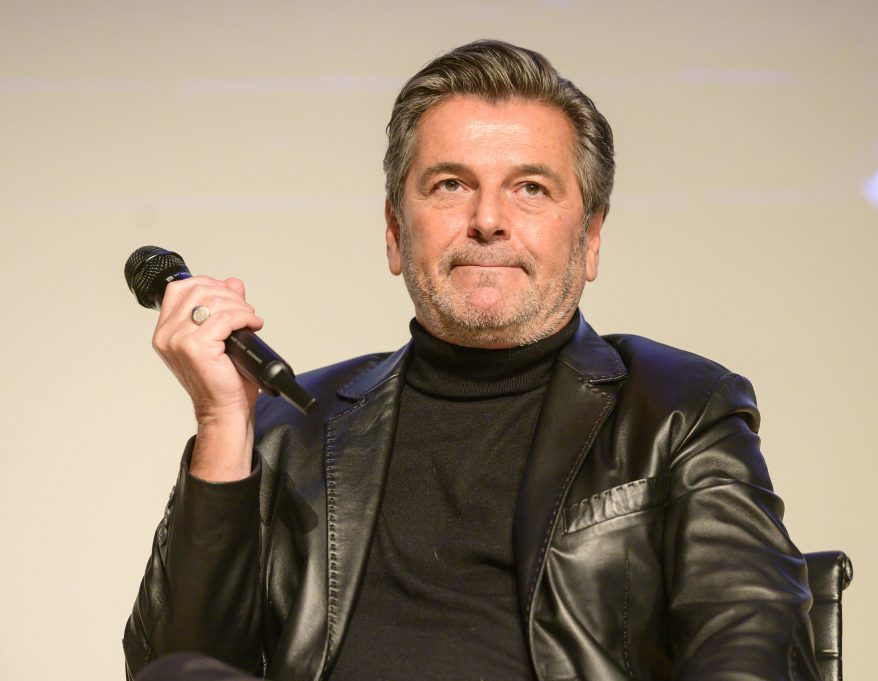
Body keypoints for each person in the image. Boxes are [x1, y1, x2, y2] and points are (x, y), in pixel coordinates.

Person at [124, 40, 820, 681]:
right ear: (395, 231)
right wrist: (222, 421)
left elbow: (753, 646)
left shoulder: (677, 409)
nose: (488, 220)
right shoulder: (285, 429)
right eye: (451, 184)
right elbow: (175, 666)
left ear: (590, 237)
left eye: (531, 188)